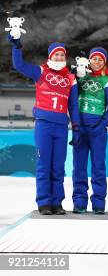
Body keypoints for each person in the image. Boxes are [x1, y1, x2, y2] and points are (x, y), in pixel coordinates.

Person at [9, 35, 79, 215]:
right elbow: (19, 66)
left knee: (58, 167)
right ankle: (44, 202)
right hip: (44, 126)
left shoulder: (71, 78)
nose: (59, 58)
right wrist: (17, 46)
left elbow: (73, 105)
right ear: (50, 57)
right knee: (43, 165)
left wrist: (76, 127)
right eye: (56, 55)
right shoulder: (41, 72)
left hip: (61, 127)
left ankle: (57, 203)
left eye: (62, 56)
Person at [72, 47, 108, 214]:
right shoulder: (81, 76)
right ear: (89, 60)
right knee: (79, 167)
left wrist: (103, 124)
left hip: (98, 130)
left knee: (98, 167)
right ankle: (79, 202)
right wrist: (74, 73)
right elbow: (72, 98)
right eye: (94, 59)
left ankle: (98, 203)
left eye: (100, 60)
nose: (97, 62)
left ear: (104, 62)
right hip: (80, 128)